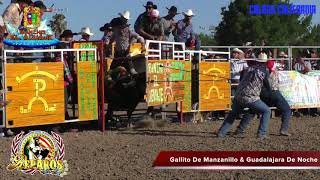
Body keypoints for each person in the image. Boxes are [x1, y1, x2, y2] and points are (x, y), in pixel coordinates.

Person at [217, 53, 272, 139]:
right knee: (267, 111)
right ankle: (261, 134)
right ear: (265, 62)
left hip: (239, 94)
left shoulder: (247, 68)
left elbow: (241, 79)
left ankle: (221, 132)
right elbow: (268, 86)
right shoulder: (264, 71)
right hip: (251, 97)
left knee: (233, 114)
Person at [236, 60, 292, 137]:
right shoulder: (272, 71)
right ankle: (284, 129)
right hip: (274, 92)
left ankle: (240, 129)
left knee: (253, 110)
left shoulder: (258, 71)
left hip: (262, 93)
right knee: (286, 109)